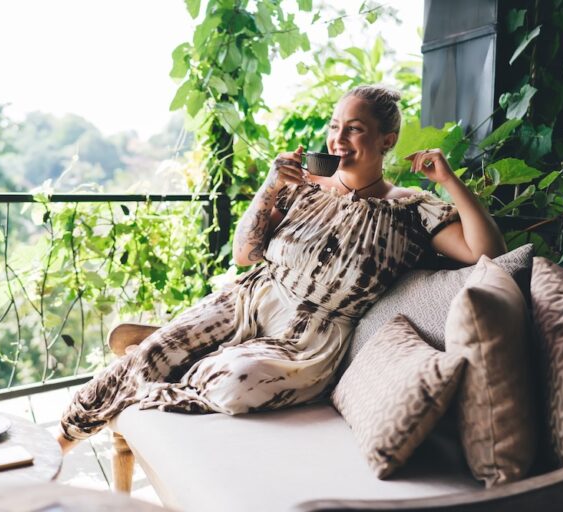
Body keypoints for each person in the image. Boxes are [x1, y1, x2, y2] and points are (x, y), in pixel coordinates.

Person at [56, 85, 506, 452]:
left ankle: (194, 358)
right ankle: (64, 437)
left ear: (387, 140)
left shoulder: (411, 209)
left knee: (234, 384)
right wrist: (271, 186)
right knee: (153, 355)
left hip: (308, 337)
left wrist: (448, 181)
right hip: (252, 297)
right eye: (335, 127)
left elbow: (486, 251)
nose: (339, 140)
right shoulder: (304, 188)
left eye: (355, 130)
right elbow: (245, 254)